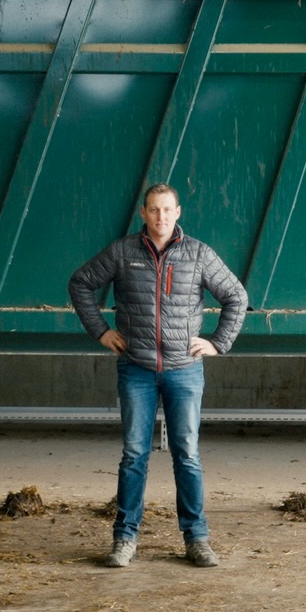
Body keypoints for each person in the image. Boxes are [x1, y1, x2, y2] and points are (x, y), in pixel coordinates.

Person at [69, 182, 247, 568]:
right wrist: (101, 331)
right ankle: (124, 539)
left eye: (167, 210)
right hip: (137, 369)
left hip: (185, 371)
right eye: (153, 210)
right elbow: (80, 283)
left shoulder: (198, 254)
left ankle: (196, 539)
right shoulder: (122, 252)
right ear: (143, 213)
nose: (160, 217)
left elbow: (236, 296)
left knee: (187, 455)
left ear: (178, 212)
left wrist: (218, 343)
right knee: (134, 455)